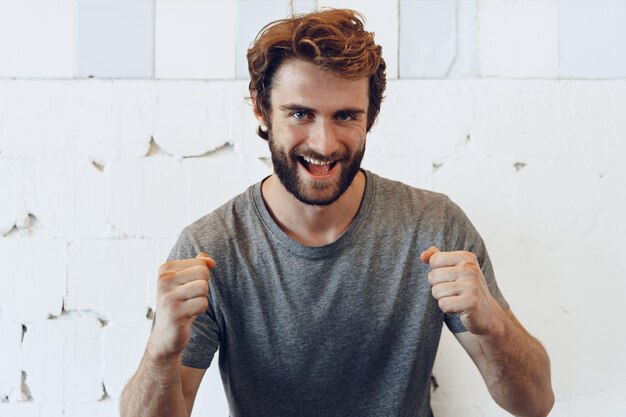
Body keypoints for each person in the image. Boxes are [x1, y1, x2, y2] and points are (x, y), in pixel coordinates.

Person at [120, 9, 554, 417]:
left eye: (345, 115)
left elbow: (534, 404)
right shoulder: (210, 249)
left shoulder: (434, 226)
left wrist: (493, 324)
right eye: (300, 114)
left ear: (371, 117)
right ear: (261, 108)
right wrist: (161, 349)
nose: (324, 144)